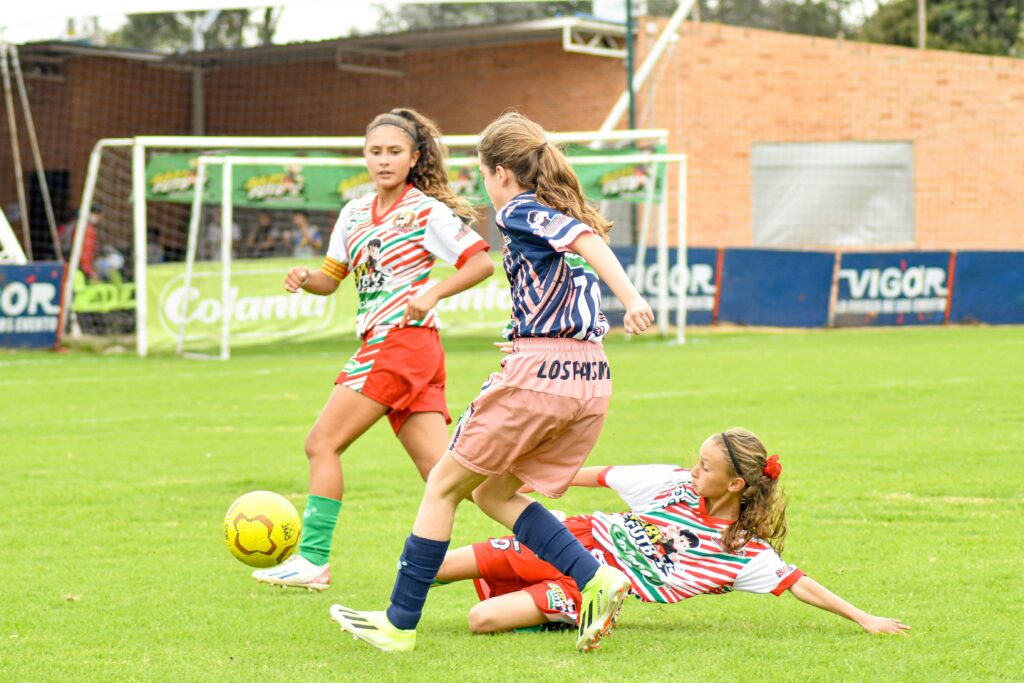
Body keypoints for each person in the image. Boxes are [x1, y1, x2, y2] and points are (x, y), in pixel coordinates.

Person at [328, 111, 655, 654]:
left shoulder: (521, 208)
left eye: (483, 174)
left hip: (540, 373)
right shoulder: (553, 208)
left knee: (443, 486)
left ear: (501, 172)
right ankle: (595, 577)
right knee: (492, 490)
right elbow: (585, 240)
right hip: (592, 377)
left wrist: (632, 298)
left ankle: (398, 623)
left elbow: (588, 243)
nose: (485, 186)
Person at [251, 108, 494, 592]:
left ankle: (312, 560)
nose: (383, 161)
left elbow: (480, 263)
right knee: (445, 475)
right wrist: (306, 279)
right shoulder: (354, 213)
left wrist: (431, 293)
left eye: (394, 152)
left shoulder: (424, 210)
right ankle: (558, 537)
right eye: (375, 152)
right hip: (404, 348)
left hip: (399, 344)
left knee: (321, 443)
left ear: (413, 158)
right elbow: (332, 279)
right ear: (364, 156)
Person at [429, 428, 910, 637]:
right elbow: (599, 476)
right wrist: (528, 475)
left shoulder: (743, 552)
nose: (694, 470)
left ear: (736, 484)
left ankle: (573, 612)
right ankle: (389, 615)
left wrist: (864, 617)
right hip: (572, 536)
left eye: (705, 466)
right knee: (439, 567)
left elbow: (800, 582)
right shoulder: (676, 482)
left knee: (481, 619)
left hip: (591, 584)